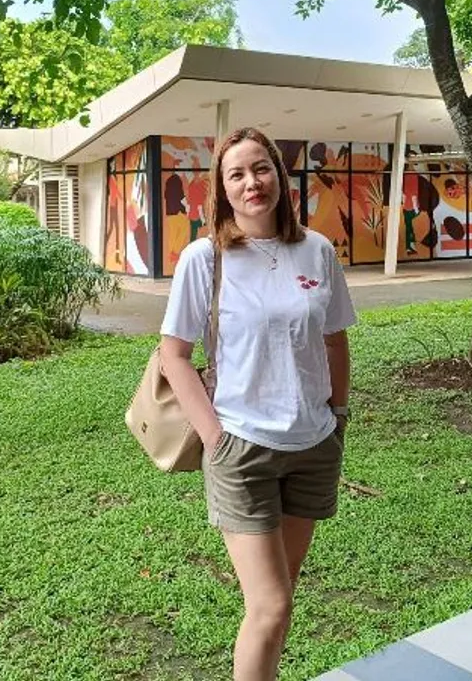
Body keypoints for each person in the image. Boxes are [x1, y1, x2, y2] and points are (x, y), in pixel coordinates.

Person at [159, 127, 356, 681]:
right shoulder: (205, 258)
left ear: (280, 176)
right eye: (237, 174)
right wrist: (216, 439)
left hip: (313, 445)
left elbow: (335, 340)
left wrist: (338, 418)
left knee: (279, 599)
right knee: (271, 606)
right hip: (242, 449)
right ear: (222, 189)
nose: (252, 183)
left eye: (261, 168)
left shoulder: (316, 250)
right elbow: (174, 355)